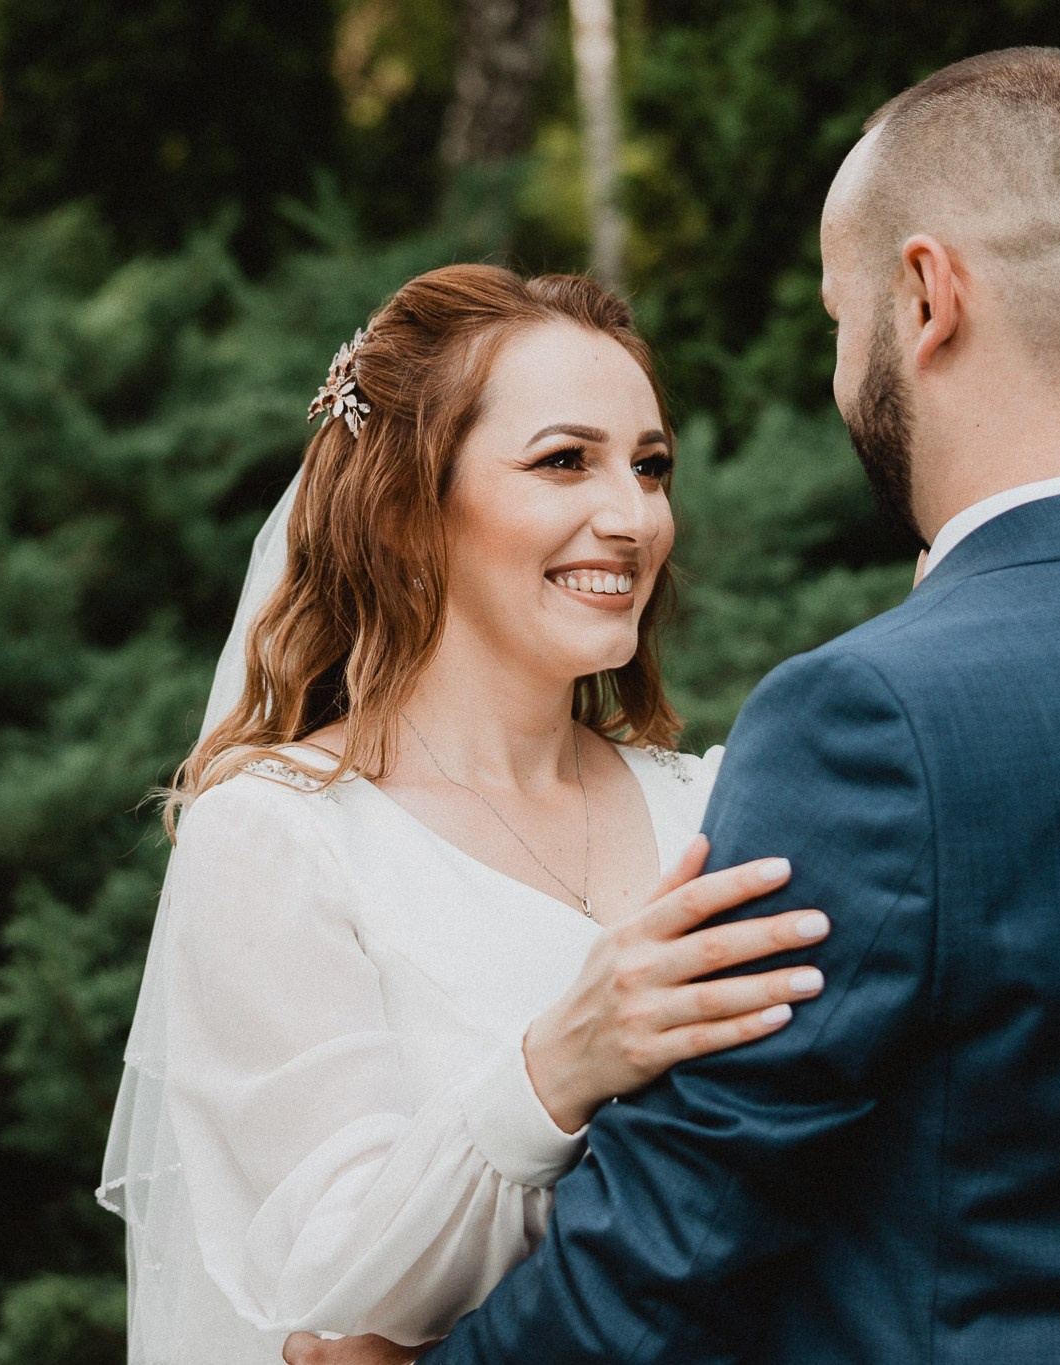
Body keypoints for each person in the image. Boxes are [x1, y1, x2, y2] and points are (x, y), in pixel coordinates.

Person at [307, 46, 1060, 1365]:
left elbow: (673, 1249)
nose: (836, 366)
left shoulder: (868, 726)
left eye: (835, 315)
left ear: (926, 297)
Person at [97, 265, 835, 1362]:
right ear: (407, 508)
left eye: (649, 467)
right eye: (562, 462)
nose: (629, 517)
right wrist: (555, 1070)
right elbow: (333, 1275)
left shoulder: (716, 803)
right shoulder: (280, 835)